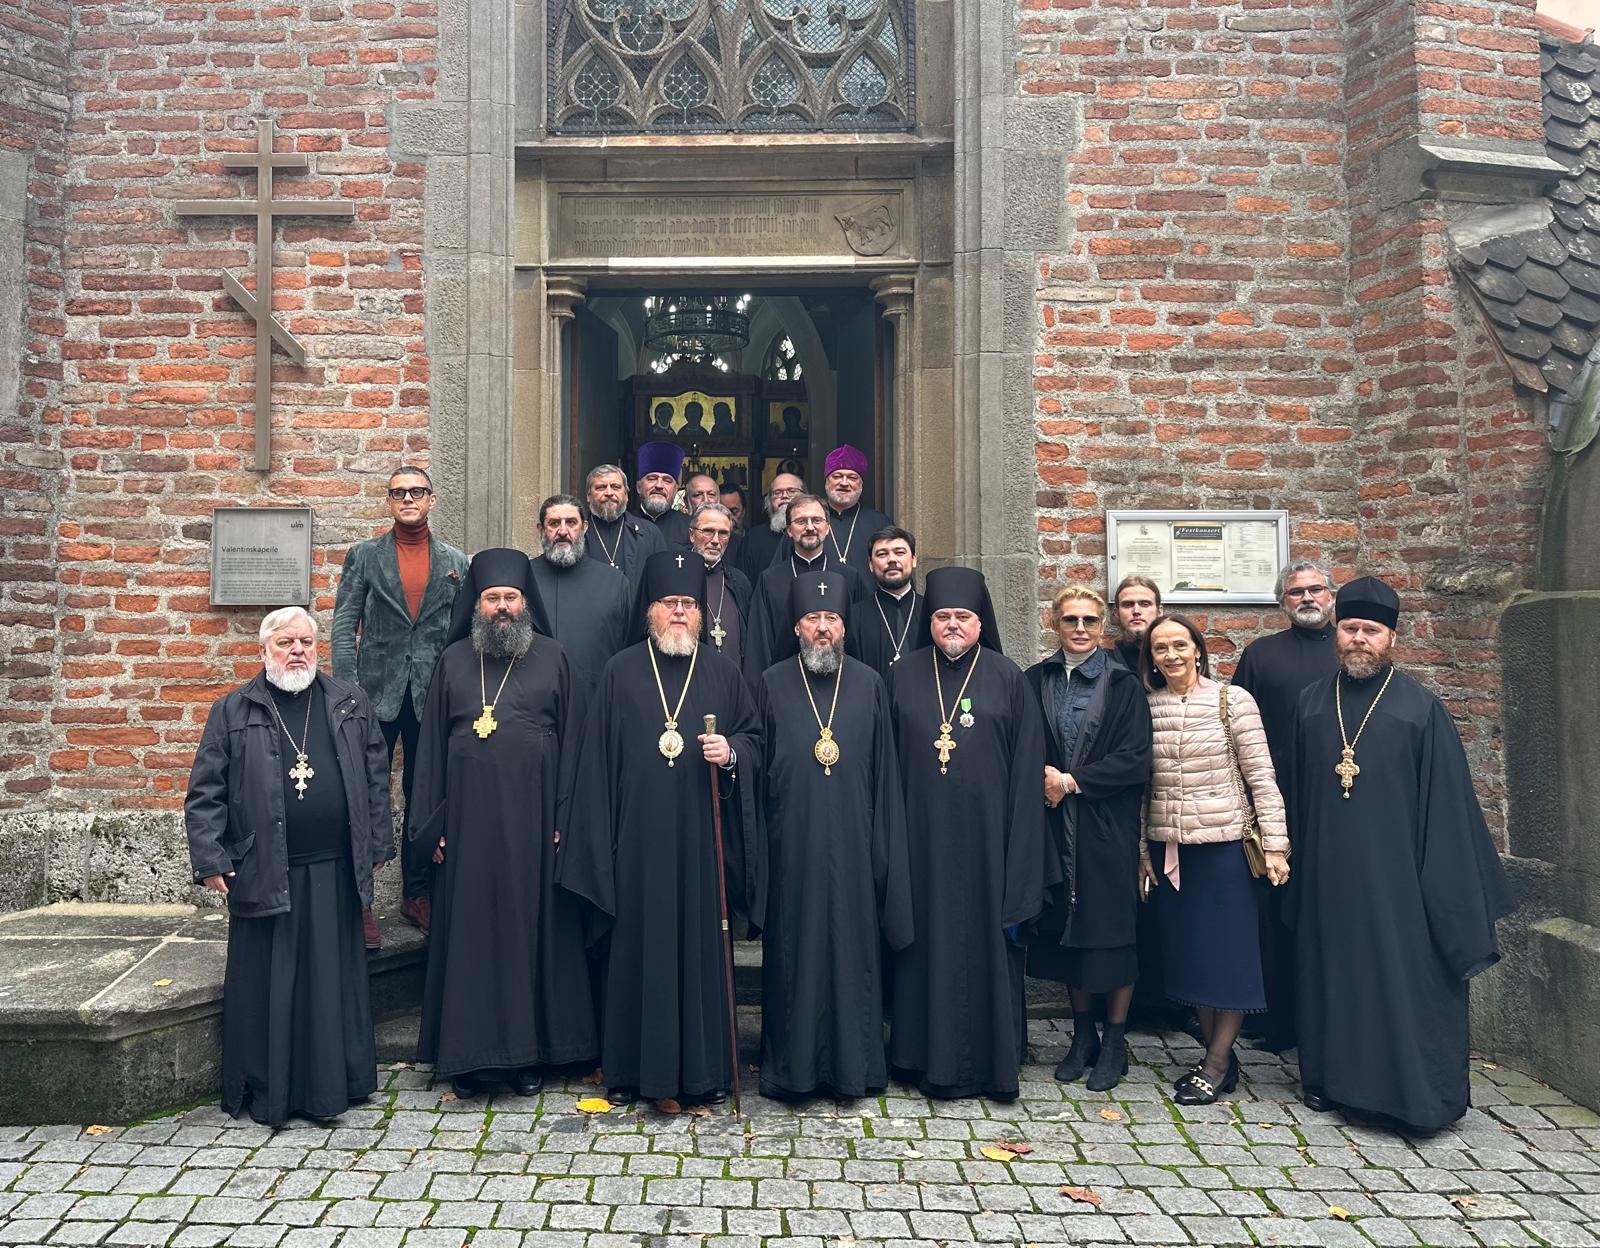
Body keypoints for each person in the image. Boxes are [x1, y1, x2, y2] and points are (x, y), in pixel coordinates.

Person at [1285, 577, 1512, 1131]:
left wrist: (1438, 888)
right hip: (1328, 876)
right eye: (1350, 629)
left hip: (1400, 883)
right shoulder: (1313, 703)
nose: (1358, 639)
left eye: (1371, 631)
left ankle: (1411, 1097)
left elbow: (1449, 808)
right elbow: (1295, 792)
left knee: (1400, 979)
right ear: (1336, 631)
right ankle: (1331, 1081)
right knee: (1333, 975)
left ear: (1392, 638)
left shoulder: (1419, 709)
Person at [560, 551, 762, 1106]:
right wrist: (599, 844)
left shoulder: (723, 671)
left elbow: (754, 739)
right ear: (650, 610)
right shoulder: (621, 671)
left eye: (689, 604)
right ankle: (634, 1071)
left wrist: (733, 753)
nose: (679, 613)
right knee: (638, 949)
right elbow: (594, 763)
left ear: (701, 613)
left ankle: (703, 1073)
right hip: (637, 845)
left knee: (699, 947)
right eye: (669, 603)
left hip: (701, 843)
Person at [185, 606, 390, 1126]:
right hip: (264, 868)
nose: (297, 650)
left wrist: (376, 846)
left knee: (331, 985)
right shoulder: (233, 710)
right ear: (264, 651)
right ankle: (269, 1090)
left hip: (335, 869)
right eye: (284, 642)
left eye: (305, 641)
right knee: (271, 985)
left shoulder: (349, 702)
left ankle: (337, 1085)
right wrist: (211, 857)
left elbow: (374, 779)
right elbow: (205, 793)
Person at [407, 549, 594, 1098]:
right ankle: (467, 1057)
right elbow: (431, 754)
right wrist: (432, 825)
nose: (503, 607)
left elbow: (577, 745)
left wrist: (565, 818)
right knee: (472, 931)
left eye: (512, 597)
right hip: (466, 826)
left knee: (531, 932)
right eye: (493, 598)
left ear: (526, 603)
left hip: (537, 827)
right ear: (477, 605)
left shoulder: (555, 658)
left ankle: (528, 1055)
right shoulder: (454, 662)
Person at [887, 567, 1050, 1100]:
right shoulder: (901, 675)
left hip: (990, 850)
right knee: (922, 949)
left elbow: (1028, 775)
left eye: (962, 617)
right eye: (941, 616)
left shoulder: (1008, 678)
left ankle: (991, 1066)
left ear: (981, 623)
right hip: (919, 844)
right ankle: (916, 1059)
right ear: (928, 622)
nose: (951, 625)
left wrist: (1021, 860)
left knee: (986, 952)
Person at [755, 571, 913, 1099]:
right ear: (796, 625)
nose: (822, 628)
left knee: (853, 953)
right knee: (793, 953)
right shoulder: (771, 681)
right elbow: (758, 771)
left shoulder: (869, 683)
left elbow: (885, 774)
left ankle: (855, 1069)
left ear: (844, 627)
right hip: (791, 845)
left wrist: (883, 849)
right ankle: (790, 1071)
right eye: (812, 618)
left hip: (854, 843)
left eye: (832, 619)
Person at [1140, 613, 1290, 1105]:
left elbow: (1261, 777)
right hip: (1172, 850)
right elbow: (1143, 788)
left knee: (1227, 960)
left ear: (1199, 650)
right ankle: (1215, 1052)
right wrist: (1143, 849)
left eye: (1180, 645)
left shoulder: (1232, 701)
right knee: (1194, 959)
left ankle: (1218, 1062)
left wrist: (1275, 846)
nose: (1172, 655)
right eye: (1161, 648)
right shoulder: (1148, 705)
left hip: (1224, 847)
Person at [331, 464, 468, 943]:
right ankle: (361, 901)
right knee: (366, 792)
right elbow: (344, 624)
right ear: (389, 502)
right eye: (398, 493)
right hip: (374, 693)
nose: (408, 498)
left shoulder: (456, 561)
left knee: (423, 795)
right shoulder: (365, 556)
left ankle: (417, 892)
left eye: (417, 491)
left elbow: (464, 634)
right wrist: (348, 690)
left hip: (432, 697)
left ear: (432, 499)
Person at [1025, 585, 1152, 1092]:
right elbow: (1024, 741)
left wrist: (1072, 782)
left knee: (1112, 931)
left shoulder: (1123, 684)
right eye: (1071, 619)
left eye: (1091, 621)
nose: (1081, 629)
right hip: (1054, 825)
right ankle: (1082, 1037)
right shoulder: (1035, 679)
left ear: (1104, 627)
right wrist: (1042, 777)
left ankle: (1115, 1040)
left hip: (1106, 825)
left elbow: (1135, 757)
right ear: (1054, 622)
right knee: (1067, 928)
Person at [1230, 560, 1339, 1052]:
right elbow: (1234, 729)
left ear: (1331, 596)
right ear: (1282, 603)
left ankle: (1328, 1016)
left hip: (1337, 801)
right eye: (1296, 593)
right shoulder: (1261, 655)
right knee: (1273, 912)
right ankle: (1275, 1019)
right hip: (1275, 802)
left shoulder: (1352, 649)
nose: (1307, 598)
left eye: (1316, 590)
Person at [744, 493, 871, 685]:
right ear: (788, 530)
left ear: (828, 528)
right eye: (801, 521)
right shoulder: (770, 580)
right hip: (785, 684)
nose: (810, 527)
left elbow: (858, 641)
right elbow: (759, 645)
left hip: (841, 685)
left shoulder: (849, 577)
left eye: (817, 520)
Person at [527, 494, 632, 699]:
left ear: (584, 528)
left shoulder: (615, 582)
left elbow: (628, 649)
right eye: (554, 523)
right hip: (534, 704)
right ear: (540, 529)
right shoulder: (523, 577)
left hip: (596, 700)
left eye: (571, 523)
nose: (563, 531)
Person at [849, 526, 923, 678]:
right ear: (870, 564)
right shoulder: (854, 616)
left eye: (899, 553)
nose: (892, 560)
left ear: (914, 560)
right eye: (882, 554)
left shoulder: (931, 612)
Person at [689, 502, 752, 666]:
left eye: (723, 533)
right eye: (708, 531)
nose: (716, 540)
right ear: (691, 535)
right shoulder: (676, 576)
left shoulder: (739, 581)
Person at [584, 463, 666, 584]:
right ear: (588, 496)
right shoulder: (576, 531)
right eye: (601, 487)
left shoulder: (650, 533)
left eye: (615, 487)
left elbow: (661, 581)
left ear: (626, 495)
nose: (609, 493)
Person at [818, 444, 892, 566]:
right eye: (837, 476)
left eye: (852, 478)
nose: (844, 483)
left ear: (861, 484)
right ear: (826, 481)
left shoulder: (880, 523)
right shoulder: (808, 522)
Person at [738, 471, 804, 581]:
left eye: (792, 491)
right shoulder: (754, 538)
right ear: (769, 501)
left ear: (805, 496)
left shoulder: (814, 533)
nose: (784, 496)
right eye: (777, 493)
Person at [632, 440, 692, 547]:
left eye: (667, 480)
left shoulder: (690, 527)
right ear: (638, 487)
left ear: (675, 490)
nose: (659, 486)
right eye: (651, 479)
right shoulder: (625, 524)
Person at [687, 472, 743, 571]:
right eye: (698, 495)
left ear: (718, 499)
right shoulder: (675, 535)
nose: (705, 500)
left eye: (711, 494)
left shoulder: (737, 544)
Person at [1108, 575, 1160, 672]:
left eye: (1145, 604)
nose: (1136, 611)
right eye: (1128, 605)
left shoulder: (1172, 660)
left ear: (1159, 612)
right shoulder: (1106, 663)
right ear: (1117, 613)